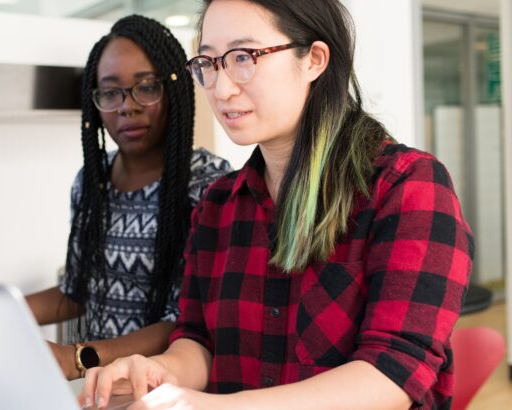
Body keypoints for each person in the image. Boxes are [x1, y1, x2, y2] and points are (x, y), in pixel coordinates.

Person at [79, 1, 473, 409]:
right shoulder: (218, 204)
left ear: (314, 60)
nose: (221, 87)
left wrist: (207, 407)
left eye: (243, 57)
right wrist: (161, 373)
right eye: (210, 63)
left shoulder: (408, 185)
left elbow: (391, 375)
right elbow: (198, 340)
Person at [25, 15, 232, 381]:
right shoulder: (92, 182)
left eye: (146, 87)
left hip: (167, 390)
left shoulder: (208, 185)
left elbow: (186, 321)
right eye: (110, 92)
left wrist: (78, 358)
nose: (127, 106)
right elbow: (77, 290)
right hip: (99, 391)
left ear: (174, 90)